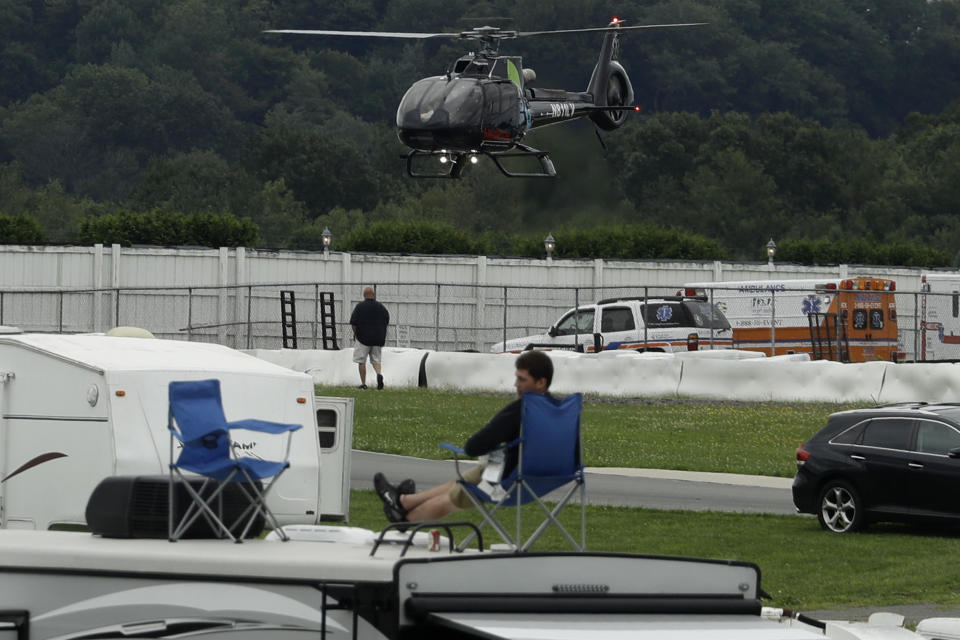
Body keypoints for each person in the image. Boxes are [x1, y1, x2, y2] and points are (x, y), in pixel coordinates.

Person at [374, 350, 554, 524]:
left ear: (540, 382)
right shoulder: (562, 411)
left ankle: (404, 518)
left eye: (522, 379)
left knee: (457, 493)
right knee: (465, 480)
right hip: (546, 479)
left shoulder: (519, 410)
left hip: (507, 484)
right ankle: (404, 501)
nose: (516, 384)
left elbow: (473, 447)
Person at [350, 286, 390, 390]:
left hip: (363, 338)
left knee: (361, 361)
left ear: (364, 295)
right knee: (376, 360)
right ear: (374, 295)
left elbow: (353, 323)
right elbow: (386, 320)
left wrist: (356, 334)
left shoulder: (360, 306)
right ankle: (379, 374)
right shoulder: (381, 307)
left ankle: (363, 384)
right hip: (378, 339)